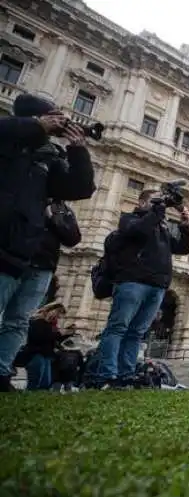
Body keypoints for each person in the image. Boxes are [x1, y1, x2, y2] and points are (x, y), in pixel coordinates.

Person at [0, 94, 96, 392]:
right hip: (4, 237)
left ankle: (1, 371)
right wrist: (36, 126)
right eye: (53, 117)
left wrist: (78, 149)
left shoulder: (48, 156)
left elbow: (81, 187)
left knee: (18, 319)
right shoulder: (10, 138)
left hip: (29, 249)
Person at [90, 188, 189, 389]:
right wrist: (158, 210)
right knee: (118, 328)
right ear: (143, 203)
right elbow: (140, 231)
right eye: (156, 201)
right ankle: (107, 374)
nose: (161, 205)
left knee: (137, 332)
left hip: (157, 285)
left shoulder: (161, 227)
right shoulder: (130, 219)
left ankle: (126, 374)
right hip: (132, 281)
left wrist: (186, 227)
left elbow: (182, 248)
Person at [17, 302, 74, 391]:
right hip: (36, 354)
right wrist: (59, 333)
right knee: (35, 381)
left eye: (59, 316)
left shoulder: (51, 325)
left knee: (45, 383)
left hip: (46, 356)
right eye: (58, 314)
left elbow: (54, 340)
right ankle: (28, 399)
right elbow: (38, 337)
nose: (57, 318)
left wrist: (67, 334)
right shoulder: (36, 321)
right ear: (51, 310)